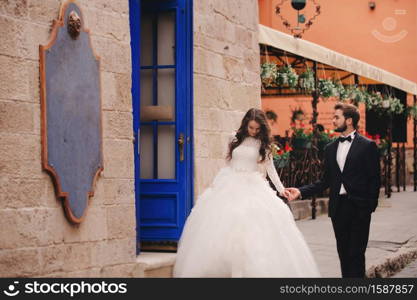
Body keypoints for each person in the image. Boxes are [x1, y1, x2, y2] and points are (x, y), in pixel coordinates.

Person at [173, 108, 321, 277]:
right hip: (230, 182)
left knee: (250, 226)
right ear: (246, 125)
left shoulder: (263, 145)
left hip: (252, 185)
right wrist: (217, 183)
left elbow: (270, 169)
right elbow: (228, 163)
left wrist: (282, 190)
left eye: (257, 129)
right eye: (251, 128)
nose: (254, 131)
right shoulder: (234, 138)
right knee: (221, 224)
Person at [286, 103, 381, 278]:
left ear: (349, 120)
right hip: (339, 209)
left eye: (337, 117)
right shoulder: (330, 148)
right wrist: (300, 192)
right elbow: (325, 181)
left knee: (356, 255)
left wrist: (369, 207)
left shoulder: (368, 146)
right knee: (344, 255)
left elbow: (374, 179)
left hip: (359, 209)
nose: (333, 120)